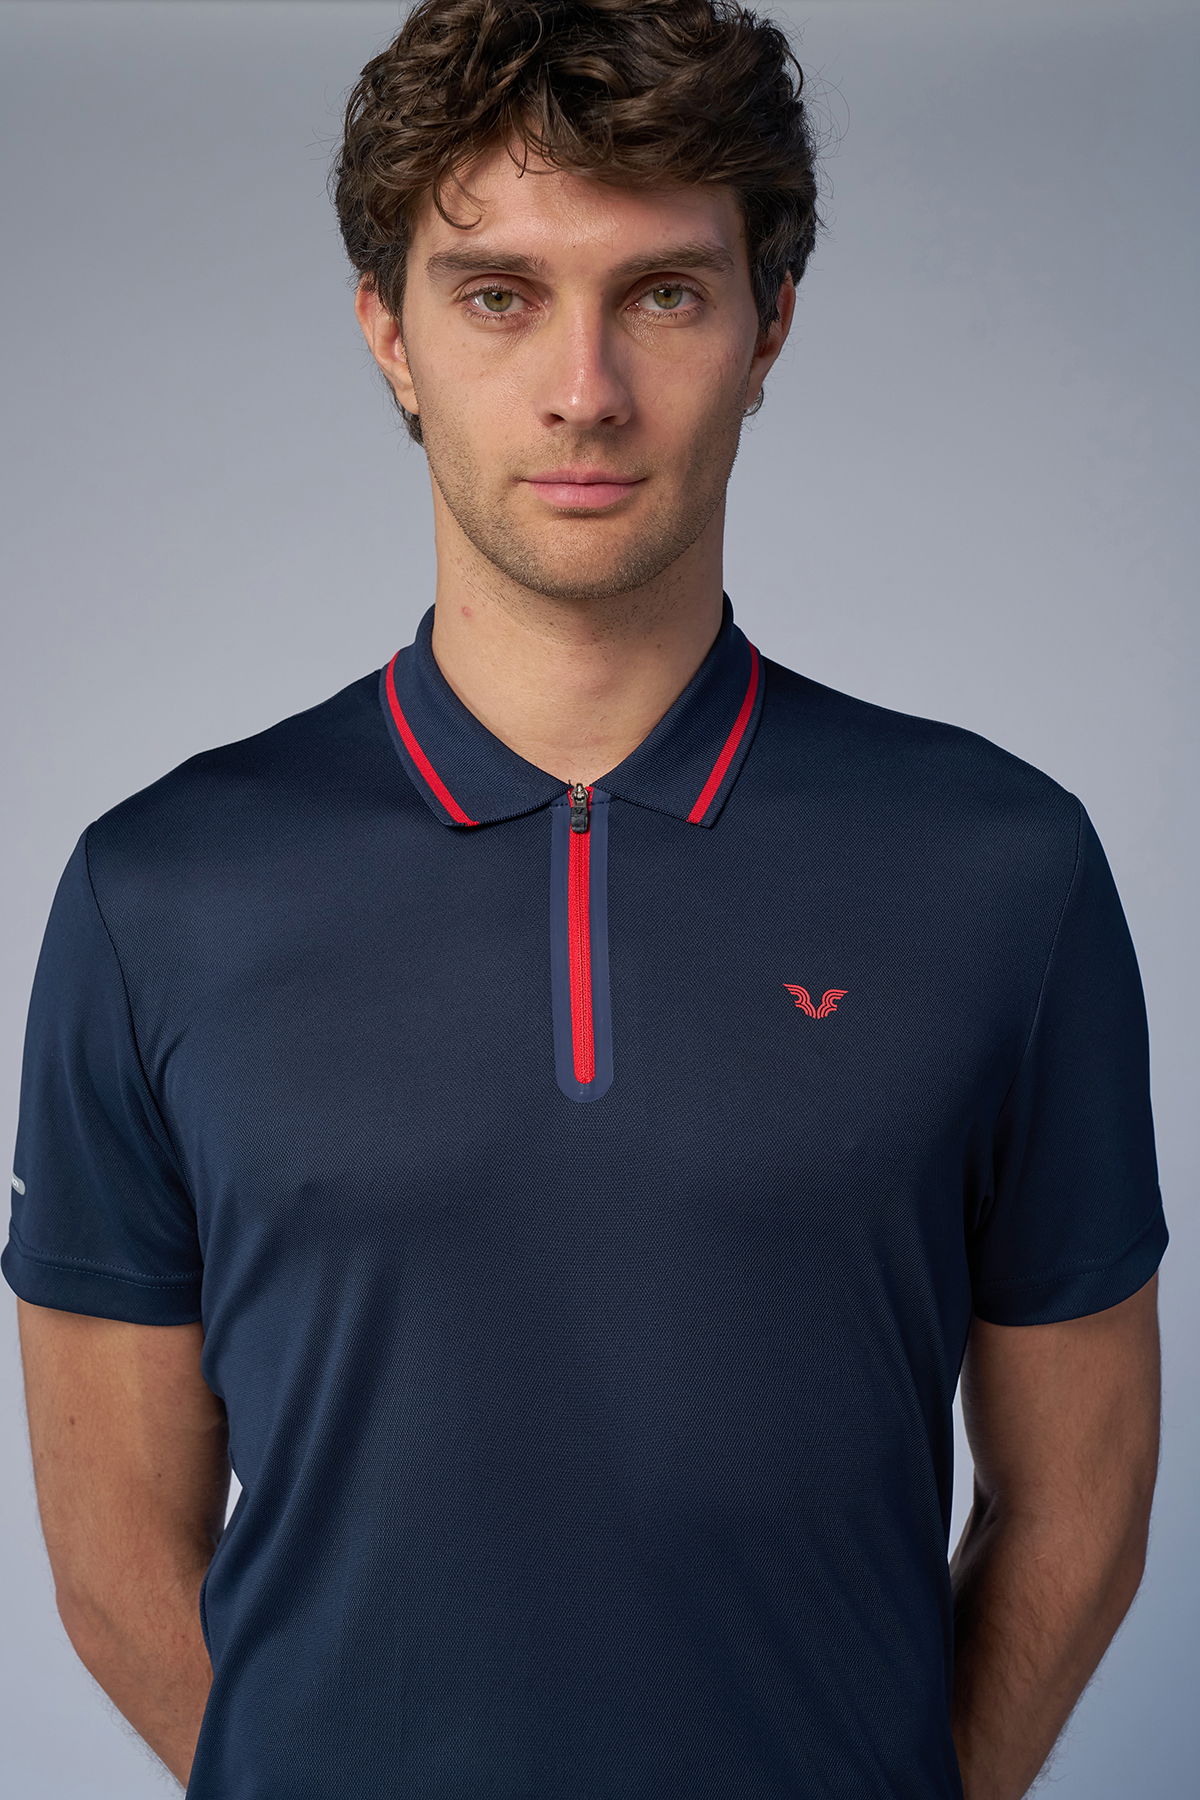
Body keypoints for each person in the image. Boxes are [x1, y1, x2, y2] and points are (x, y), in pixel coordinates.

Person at [4, 2, 1169, 1796]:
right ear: (388, 332)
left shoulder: (1006, 871)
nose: (585, 389)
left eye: (665, 294)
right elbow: (113, 1567)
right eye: (498, 295)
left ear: (771, 327)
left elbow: (1079, 1512)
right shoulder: (155, 896)